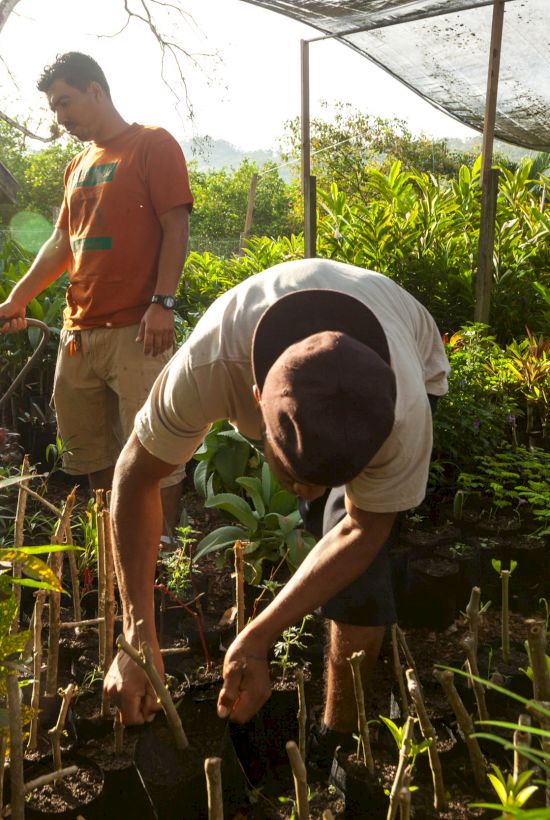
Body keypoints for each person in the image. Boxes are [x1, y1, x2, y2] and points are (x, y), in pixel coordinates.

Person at [104, 257, 450, 740]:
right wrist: (137, 635)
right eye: (293, 478)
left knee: (361, 566)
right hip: (263, 333)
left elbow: (362, 528)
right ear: (253, 400)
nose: (306, 493)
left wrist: (258, 636)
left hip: (403, 331)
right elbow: (135, 475)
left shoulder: (402, 410)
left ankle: (339, 736)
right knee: (326, 529)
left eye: (327, 478)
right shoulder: (210, 365)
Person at [0, 52, 193, 525]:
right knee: (92, 456)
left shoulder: (152, 144)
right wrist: (18, 299)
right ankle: (112, 548)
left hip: (137, 331)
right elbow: (62, 242)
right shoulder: (77, 165)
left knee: (153, 455)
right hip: (77, 335)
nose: (61, 117)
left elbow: (177, 227)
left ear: (96, 90)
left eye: (66, 102)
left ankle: (165, 557)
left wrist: (163, 303)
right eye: (53, 109)